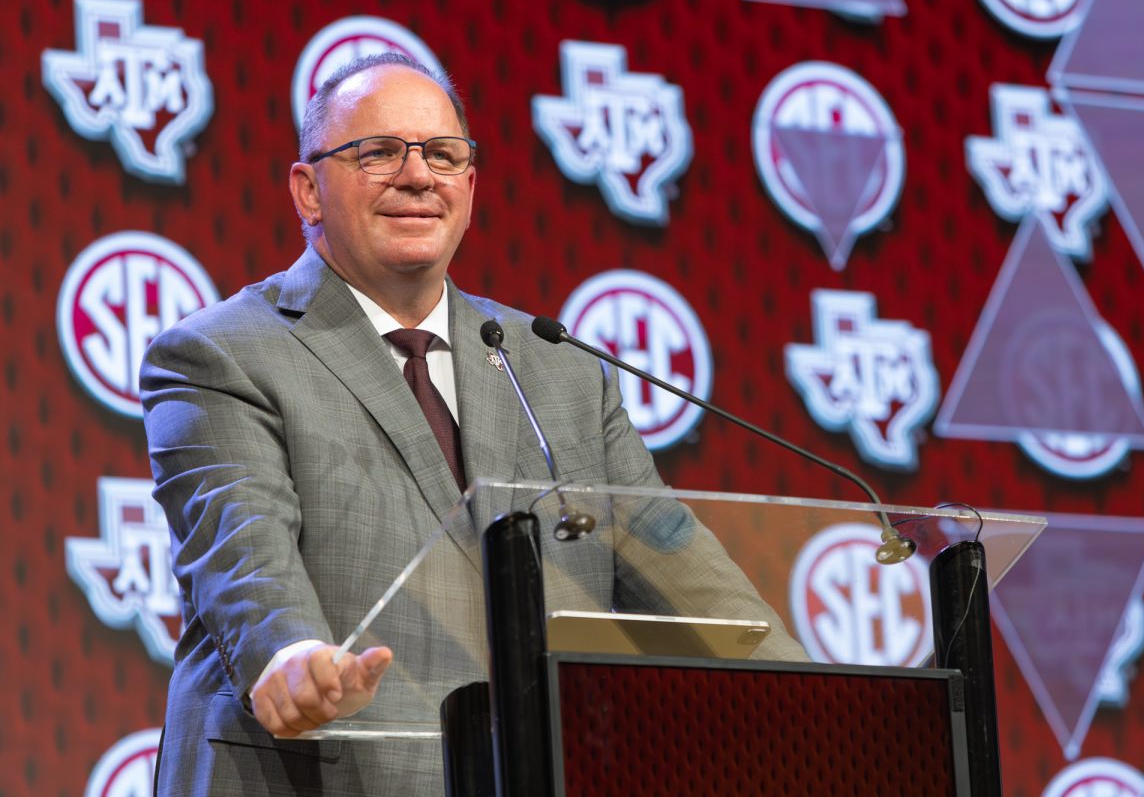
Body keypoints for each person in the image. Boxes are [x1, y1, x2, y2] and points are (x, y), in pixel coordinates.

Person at [141, 52, 805, 795]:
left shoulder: (559, 369)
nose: (419, 176)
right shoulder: (221, 353)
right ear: (308, 190)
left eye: (443, 155)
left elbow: (685, 576)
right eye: (379, 152)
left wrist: (822, 703)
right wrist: (289, 655)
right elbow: (241, 550)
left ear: (470, 185)